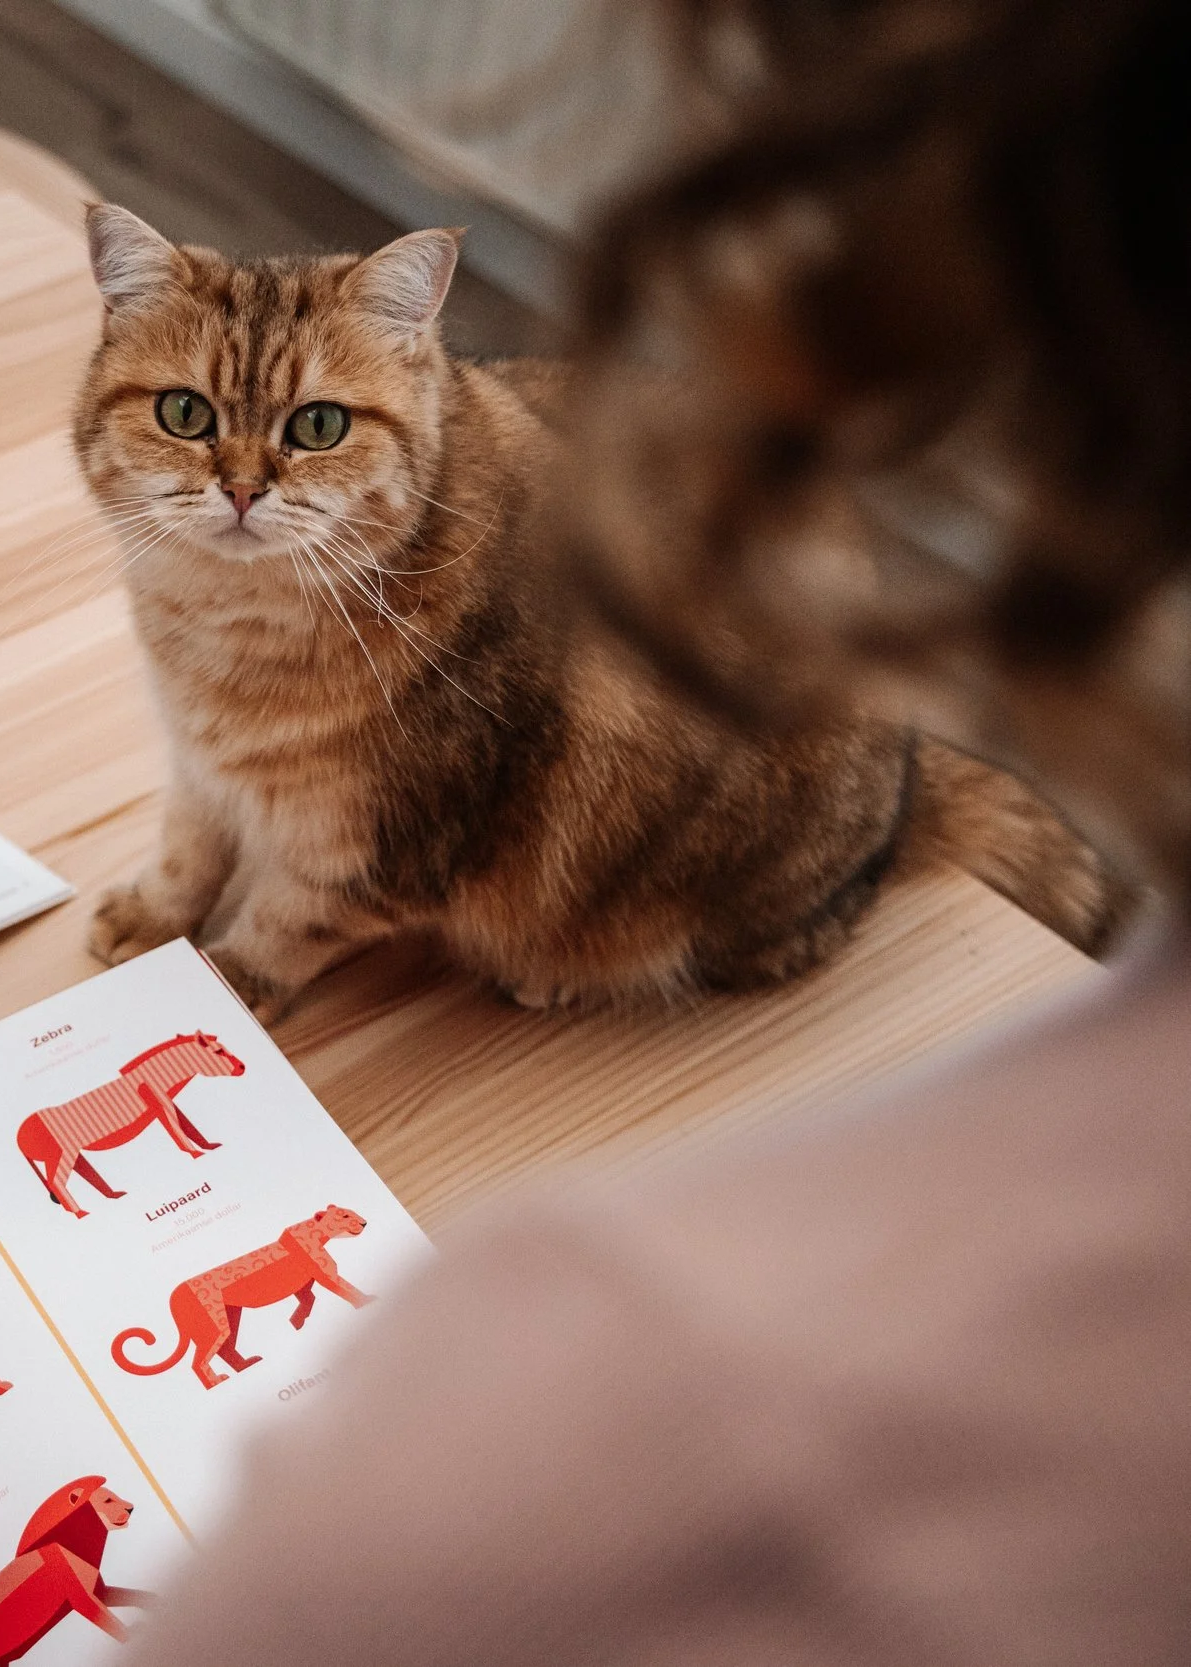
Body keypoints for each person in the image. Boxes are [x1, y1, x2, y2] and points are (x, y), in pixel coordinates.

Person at [132, 1, 1191, 1660]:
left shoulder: (631, 1386)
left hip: (672, 923)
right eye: (197, 425)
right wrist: (185, 868)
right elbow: (223, 770)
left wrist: (246, 961)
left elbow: (383, 853)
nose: (252, 473)